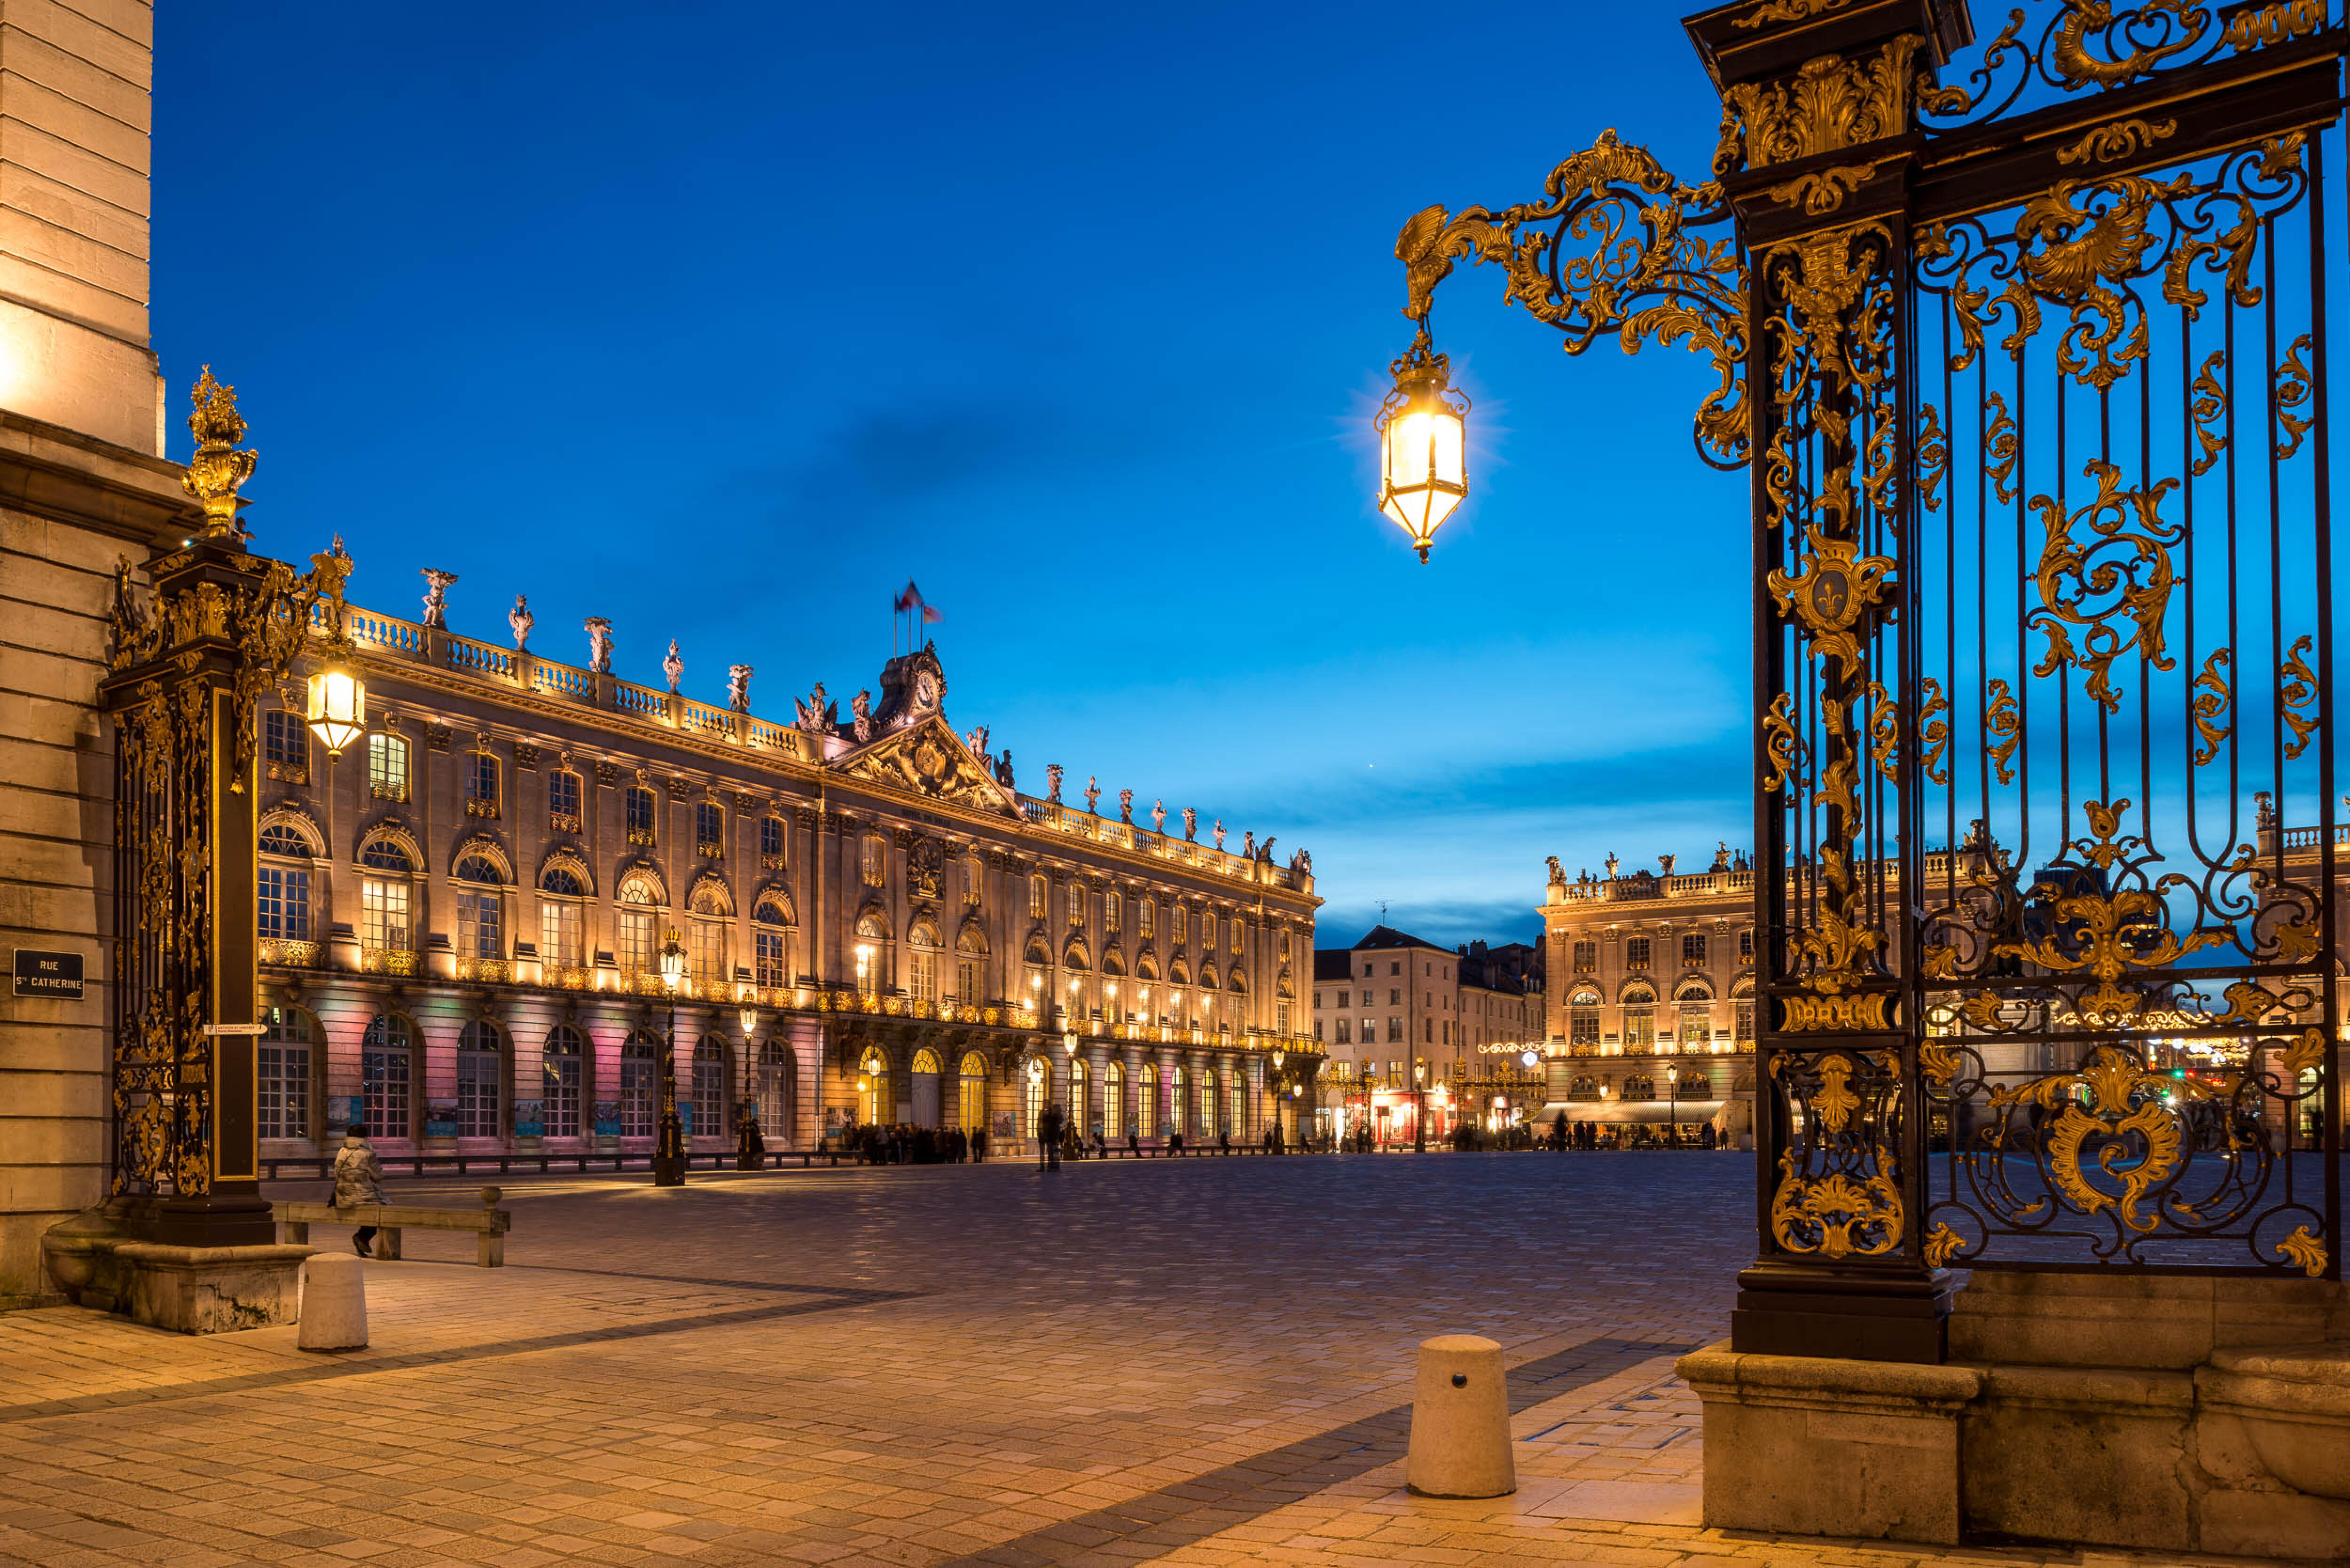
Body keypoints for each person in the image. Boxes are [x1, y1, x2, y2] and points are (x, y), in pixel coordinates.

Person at [332, 1125, 387, 1257]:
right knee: (384, 1212)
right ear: (365, 1137)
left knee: (372, 1207)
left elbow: (336, 1172)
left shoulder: (342, 1151)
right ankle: (362, 1237)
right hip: (361, 1194)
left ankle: (362, 1238)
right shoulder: (368, 1153)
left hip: (341, 1194)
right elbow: (379, 1176)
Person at [1038, 1103, 1063, 1171]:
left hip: (1053, 1138)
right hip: (1053, 1138)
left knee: (1053, 1153)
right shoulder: (1056, 1117)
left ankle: (1053, 1167)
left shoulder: (1055, 1117)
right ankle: (1053, 1167)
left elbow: (1050, 1126)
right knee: (1053, 1153)